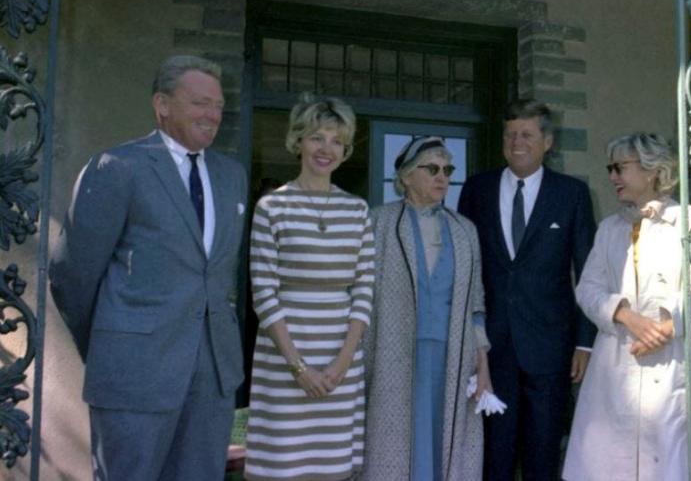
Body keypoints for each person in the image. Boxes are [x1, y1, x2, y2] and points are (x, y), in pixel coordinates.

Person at [49, 55, 248, 479]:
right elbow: (73, 277)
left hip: (210, 377)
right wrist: (114, 342)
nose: (213, 114)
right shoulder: (117, 167)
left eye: (218, 105)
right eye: (200, 103)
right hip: (133, 373)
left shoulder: (232, 176)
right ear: (162, 104)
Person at [562, 132, 691, 481]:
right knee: (610, 463)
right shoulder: (608, 229)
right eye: (610, 168)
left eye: (620, 167)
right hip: (617, 363)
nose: (613, 176)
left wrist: (665, 328)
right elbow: (587, 288)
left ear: (652, 171)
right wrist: (624, 315)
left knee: (668, 461)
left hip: (672, 363)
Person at [457, 99, 597, 481]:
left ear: (547, 141)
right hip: (491, 350)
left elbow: (587, 272)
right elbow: (465, 267)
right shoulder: (477, 189)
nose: (517, 142)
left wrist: (585, 342)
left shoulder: (571, 194)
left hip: (551, 349)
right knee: (494, 458)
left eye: (527, 134)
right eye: (511, 134)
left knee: (543, 456)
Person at [244, 94, 374, 481]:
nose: (326, 149)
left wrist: (342, 363)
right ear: (298, 140)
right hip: (284, 360)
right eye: (318, 137)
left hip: (340, 362)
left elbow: (365, 290)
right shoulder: (271, 208)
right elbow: (263, 294)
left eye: (337, 141)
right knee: (282, 465)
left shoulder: (357, 210)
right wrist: (298, 367)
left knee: (330, 469)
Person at [363, 136, 491, 481]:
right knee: (393, 444)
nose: (443, 177)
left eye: (447, 170)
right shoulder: (378, 223)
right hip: (392, 356)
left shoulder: (466, 230)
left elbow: (476, 305)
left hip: (453, 358)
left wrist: (484, 367)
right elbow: (360, 299)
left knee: (447, 449)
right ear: (405, 176)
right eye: (432, 169)